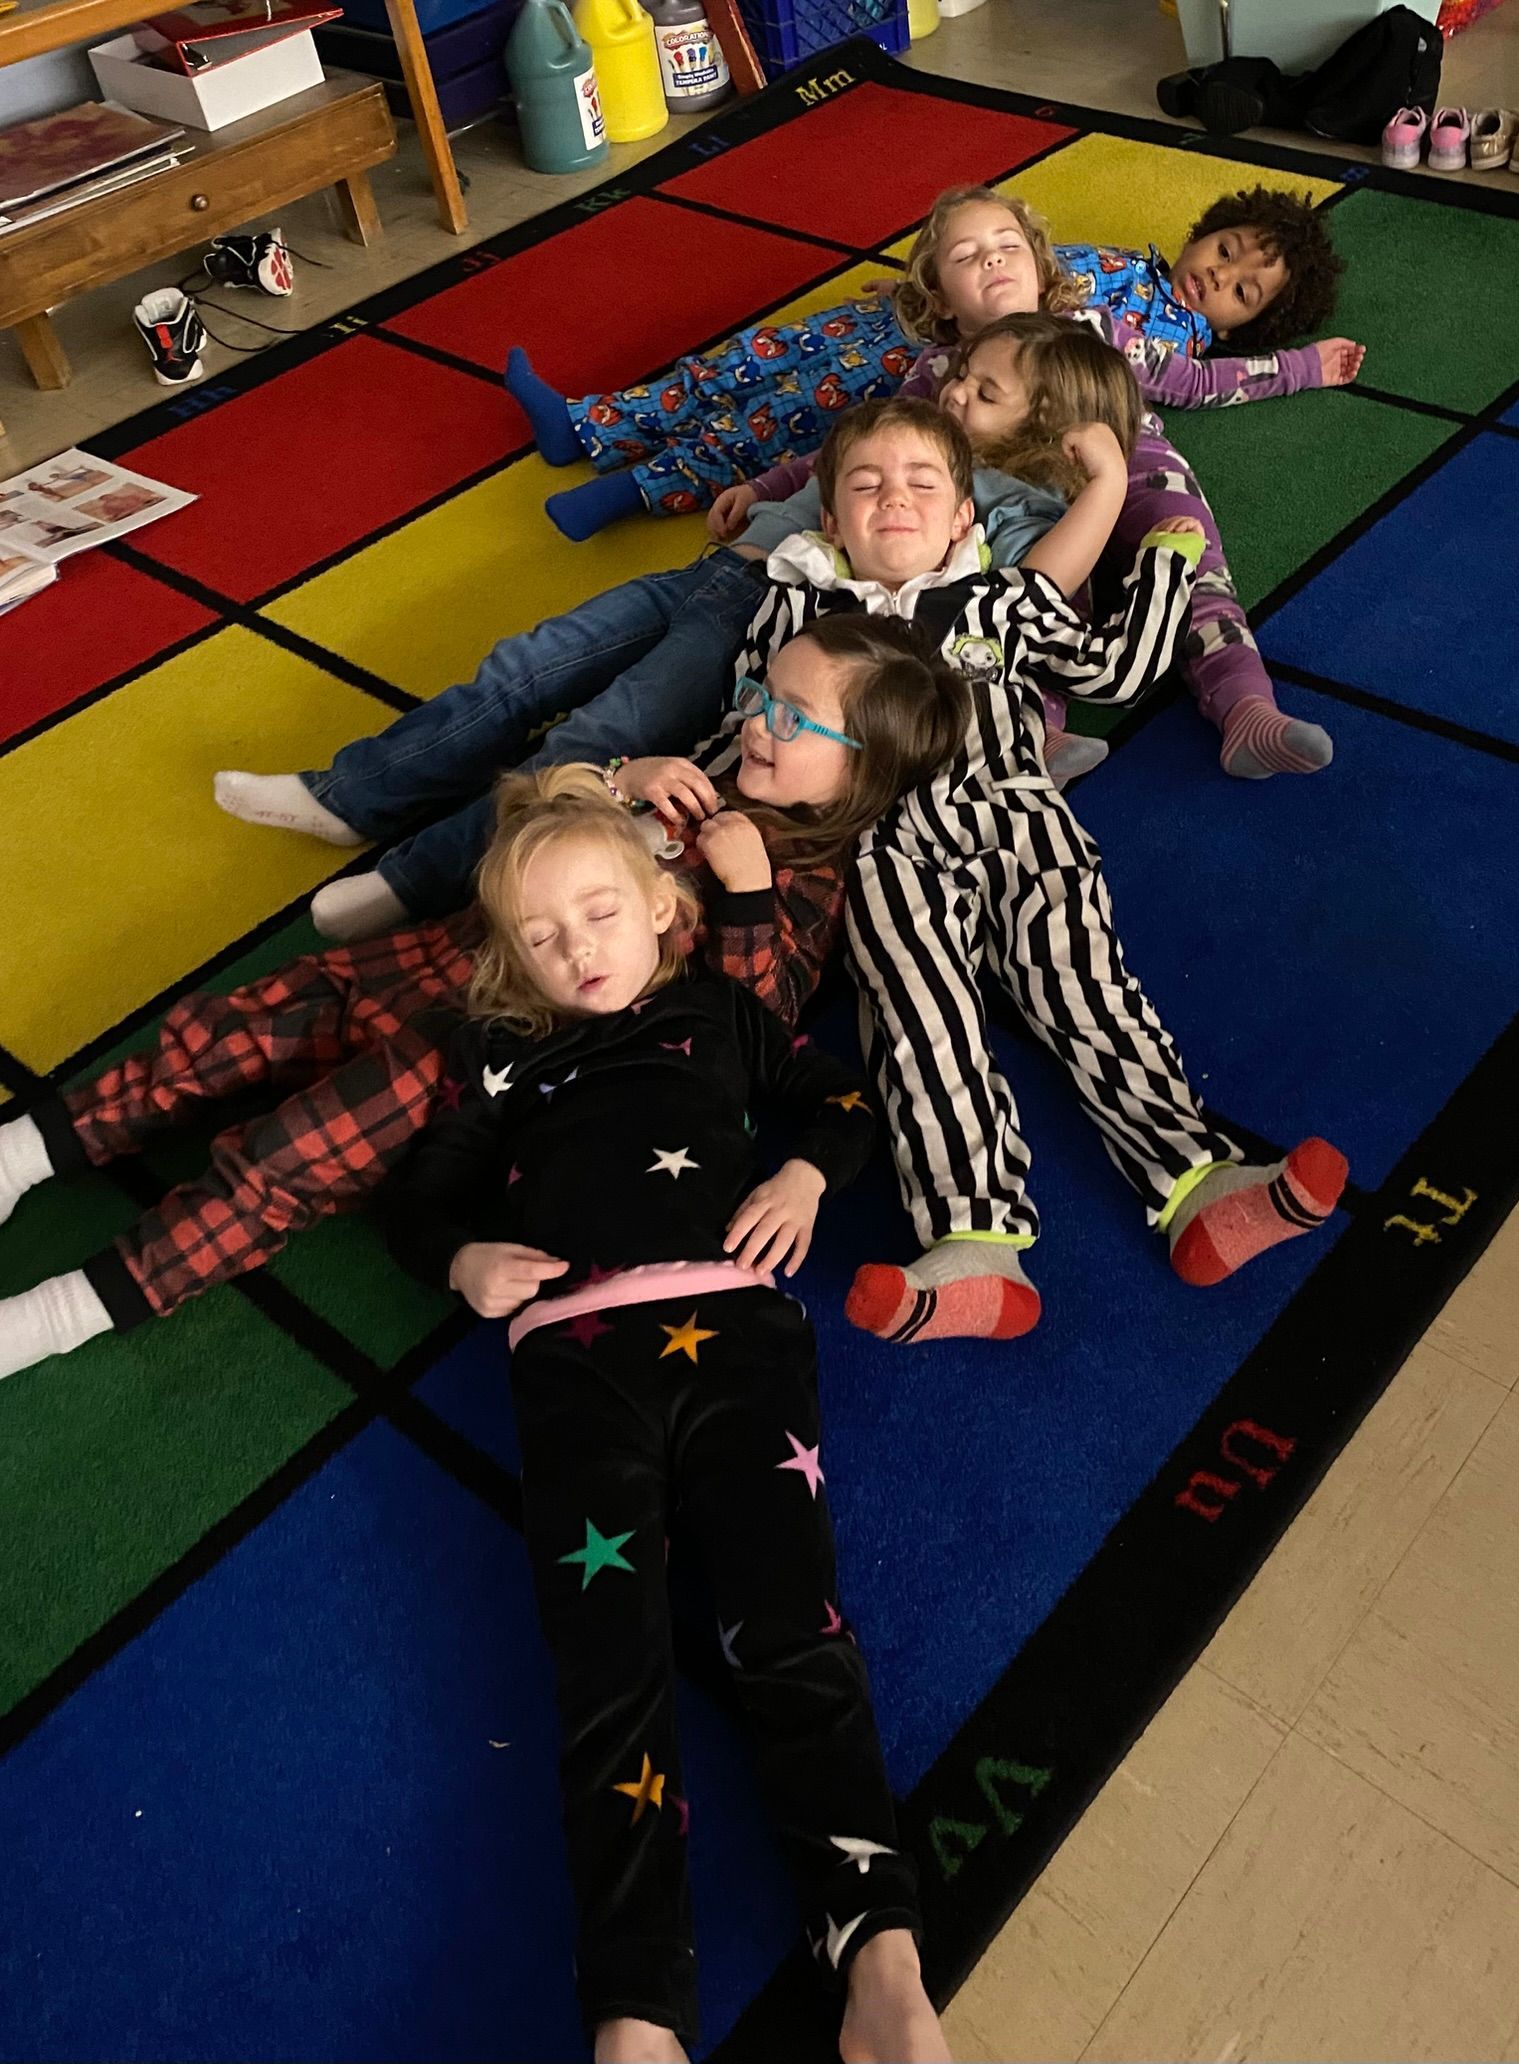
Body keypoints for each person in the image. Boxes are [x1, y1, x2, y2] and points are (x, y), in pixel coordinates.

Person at [0, 620, 967, 1385]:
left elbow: (743, 1033)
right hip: (441, 954)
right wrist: (623, 779)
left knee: (285, 1156)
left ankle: (63, 1313)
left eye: (794, 718)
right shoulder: (715, 777)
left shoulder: (810, 877)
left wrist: (747, 892)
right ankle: (25, 1151)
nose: (758, 721)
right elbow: (543, 819)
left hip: (492, 1043)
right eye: (763, 695)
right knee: (231, 1030)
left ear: (861, 772)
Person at [383, 766, 950, 2064]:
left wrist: (804, 1177)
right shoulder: (501, 1055)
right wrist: (461, 1259)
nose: (576, 951)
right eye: (540, 937)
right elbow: (419, 1197)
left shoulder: (719, 1010)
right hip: (574, 1364)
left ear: (658, 907)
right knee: (608, 1673)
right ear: (509, 956)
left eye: (598, 914)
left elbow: (841, 1101)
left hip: (736, 1336)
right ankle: (638, 2013)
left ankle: (880, 1955)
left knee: (791, 1627)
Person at [688, 395, 1349, 1345]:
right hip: (881, 843)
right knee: (918, 1016)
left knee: (1085, 983)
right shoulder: (799, 605)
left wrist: (1165, 569)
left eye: (922, 483)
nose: (894, 499)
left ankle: (1198, 1181)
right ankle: (973, 1239)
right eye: (865, 485)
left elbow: (1111, 672)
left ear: (964, 516)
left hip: (1018, 817)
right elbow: (749, 719)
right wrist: (675, 782)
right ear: (830, 519)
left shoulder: (1002, 597)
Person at [721, 185, 1362, 781]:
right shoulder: (941, 372)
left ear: (1042, 268)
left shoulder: (1092, 326)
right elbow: (867, 447)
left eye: (1009, 249)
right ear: (940, 295)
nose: (993, 263)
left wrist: (1301, 366)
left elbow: (1194, 381)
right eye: (968, 257)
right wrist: (770, 485)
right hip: (1011, 490)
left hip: (1128, 458)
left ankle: (1247, 707)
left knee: (1194, 562)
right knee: (1022, 595)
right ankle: (1034, 732)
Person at [508, 180, 1353, 540]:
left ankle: (625, 490)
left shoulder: (1170, 342)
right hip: (913, 313)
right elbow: (1017, 252)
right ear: (1206, 229)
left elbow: (1207, 385)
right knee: (750, 361)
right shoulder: (1128, 260)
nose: (1218, 277)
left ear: (1247, 324)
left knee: (779, 422)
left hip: (939, 371)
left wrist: (1306, 366)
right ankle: (590, 424)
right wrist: (942, 275)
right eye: (1226, 250)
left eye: (1243, 292)